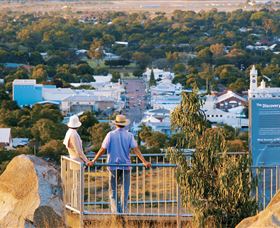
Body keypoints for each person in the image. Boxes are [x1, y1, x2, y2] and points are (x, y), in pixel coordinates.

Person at [91, 114, 151, 213]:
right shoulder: (129, 135)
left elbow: (103, 149)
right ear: (124, 124)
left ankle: (115, 212)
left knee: (113, 190)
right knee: (125, 190)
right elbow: (136, 149)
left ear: (116, 124)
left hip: (113, 165)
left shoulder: (110, 135)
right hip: (125, 165)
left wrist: (94, 160)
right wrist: (144, 161)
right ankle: (124, 211)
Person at [63, 115, 93, 208]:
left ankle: (75, 205)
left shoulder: (69, 132)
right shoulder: (74, 134)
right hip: (77, 161)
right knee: (78, 185)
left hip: (73, 159)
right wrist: (87, 160)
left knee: (75, 184)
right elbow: (79, 151)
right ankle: (77, 207)